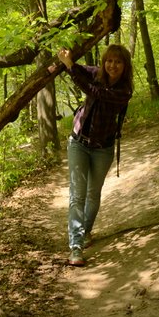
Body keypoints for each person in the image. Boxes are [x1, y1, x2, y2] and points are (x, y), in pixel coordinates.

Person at [57, 44, 133, 267]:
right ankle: (76, 247)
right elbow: (78, 70)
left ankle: (86, 231)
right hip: (78, 142)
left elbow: (95, 93)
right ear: (104, 62)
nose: (112, 65)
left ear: (125, 66)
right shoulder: (96, 73)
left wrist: (70, 67)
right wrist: (68, 59)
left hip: (103, 148)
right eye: (109, 60)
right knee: (77, 196)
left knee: (92, 194)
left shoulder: (124, 91)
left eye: (118, 62)